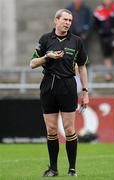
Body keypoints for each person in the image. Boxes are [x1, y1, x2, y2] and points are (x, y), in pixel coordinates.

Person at [30, 9, 89, 177]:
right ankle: (53, 169)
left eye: (70, 20)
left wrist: (85, 91)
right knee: (51, 129)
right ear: (56, 20)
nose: (68, 23)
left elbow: (82, 66)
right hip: (48, 85)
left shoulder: (77, 41)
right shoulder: (45, 39)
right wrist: (47, 57)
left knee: (69, 129)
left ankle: (72, 169)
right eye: (65, 19)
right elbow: (32, 63)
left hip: (68, 86)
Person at [94, 0, 114, 81]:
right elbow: (96, 23)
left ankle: (109, 73)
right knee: (107, 54)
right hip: (103, 37)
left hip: (113, 36)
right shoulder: (99, 10)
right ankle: (108, 73)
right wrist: (100, 31)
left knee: (109, 53)